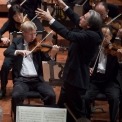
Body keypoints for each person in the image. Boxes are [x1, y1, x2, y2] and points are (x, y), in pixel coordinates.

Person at [36, 0, 103, 121]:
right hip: (70, 78)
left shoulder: (92, 36)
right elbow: (76, 18)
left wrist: (50, 19)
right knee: (62, 109)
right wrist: (64, 6)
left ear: (88, 25)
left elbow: (68, 34)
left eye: (84, 17)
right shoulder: (89, 28)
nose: (81, 17)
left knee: (77, 113)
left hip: (77, 81)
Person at [4, 21, 59, 121]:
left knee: (51, 95)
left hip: (38, 79)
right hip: (22, 80)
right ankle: (18, 119)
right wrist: (19, 51)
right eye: (31, 34)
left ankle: (48, 119)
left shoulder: (38, 45)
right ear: (24, 33)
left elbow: (47, 63)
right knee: (16, 96)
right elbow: (6, 52)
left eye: (35, 33)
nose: (34, 36)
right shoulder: (17, 42)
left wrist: (52, 55)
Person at [84, 25, 121, 122]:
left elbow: (120, 68)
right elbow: (85, 62)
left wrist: (120, 58)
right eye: (102, 35)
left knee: (114, 98)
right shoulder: (93, 48)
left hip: (110, 81)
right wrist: (88, 68)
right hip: (95, 80)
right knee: (86, 97)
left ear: (111, 37)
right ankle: (86, 119)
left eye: (106, 35)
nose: (104, 38)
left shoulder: (115, 50)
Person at [0, 4, 30, 99]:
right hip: (14, 51)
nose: (19, 17)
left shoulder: (29, 21)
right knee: (5, 66)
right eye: (15, 16)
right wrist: (2, 38)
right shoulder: (10, 23)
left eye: (20, 14)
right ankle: (3, 88)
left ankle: (23, 88)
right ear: (12, 17)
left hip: (27, 51)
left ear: (23, 13)